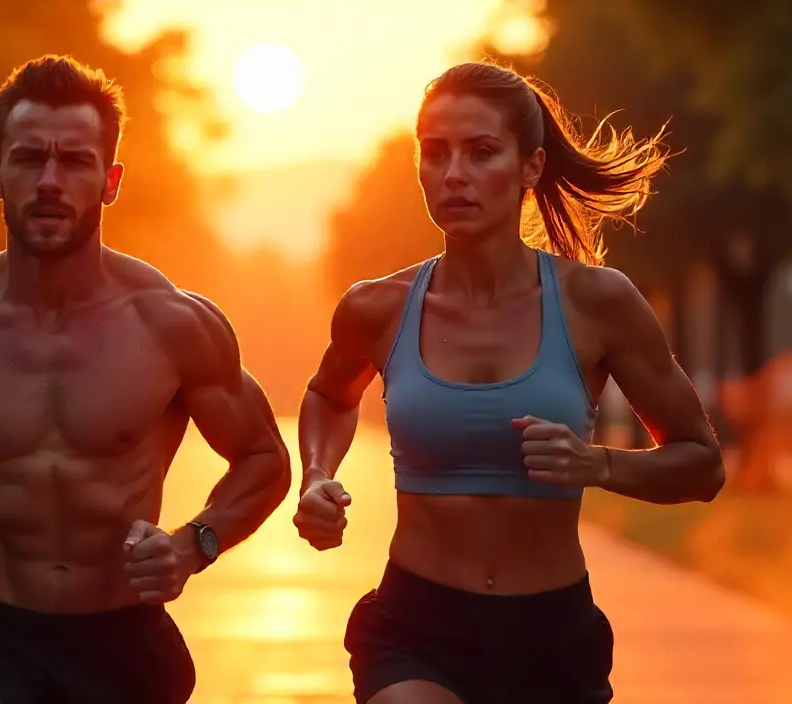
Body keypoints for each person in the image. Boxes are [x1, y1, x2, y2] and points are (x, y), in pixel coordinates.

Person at [0, 54, 292, 704]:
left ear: (111, 179)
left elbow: (263, 457)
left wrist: (195, 543)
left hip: (123, 643)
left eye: (76, 161)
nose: (51, 181)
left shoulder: (171, 325)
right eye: (29, 158)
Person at [293, 60, 726, 704]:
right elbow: (330, 395)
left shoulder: (597, 302)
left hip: (550, 635)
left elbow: (701, 465)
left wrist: (598, 464)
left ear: (531, 167)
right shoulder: (376, 306)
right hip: (416, 627)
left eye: (482, 153)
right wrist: (318, 474)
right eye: (434, 154)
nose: (454, 174)